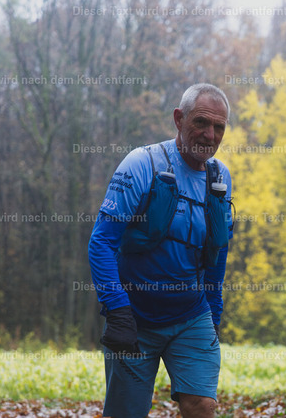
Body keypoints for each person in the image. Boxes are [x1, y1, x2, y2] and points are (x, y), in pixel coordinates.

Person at [88, 83, 233, 418]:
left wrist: (214, 315)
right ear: (179, 119)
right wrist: (117, 310)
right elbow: (101, 241)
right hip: (135, 316)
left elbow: (218, 251)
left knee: (202, 405)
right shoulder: (143, 164)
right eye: (201, 122)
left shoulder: (220, 177)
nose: (210, 135)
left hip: (192, 315)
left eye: (219, 127)